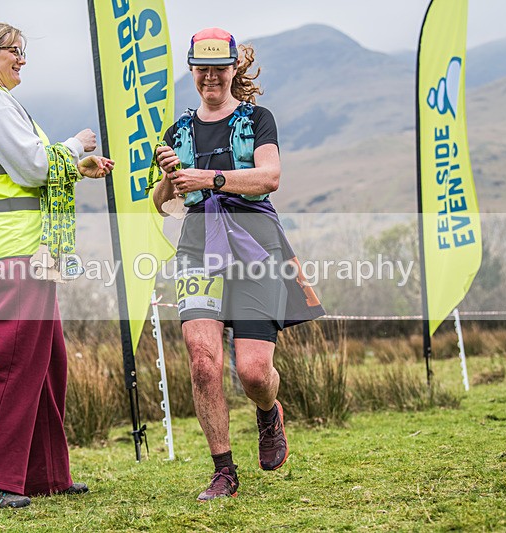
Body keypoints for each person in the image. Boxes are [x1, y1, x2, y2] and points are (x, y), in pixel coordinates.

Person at [152, 28, 324, 501]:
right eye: (201, 68)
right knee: (203, 361)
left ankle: (269, 412)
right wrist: (169, 179)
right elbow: (162, 204)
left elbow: (270, 177)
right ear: (191, 71)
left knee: (251, 371)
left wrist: (210, 176)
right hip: (197, 246)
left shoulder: (258, 120)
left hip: (255, 244)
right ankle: (223, 470)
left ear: (233, 70)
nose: (210, 76)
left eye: (218, 68)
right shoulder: (178, 132)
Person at [0, 22, 113, 510]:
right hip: (13, 249)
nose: (22, 59)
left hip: (24, 250)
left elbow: (27, 169)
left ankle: (42, 474)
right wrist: (75, 146)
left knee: (47, 361)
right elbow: (35, 167)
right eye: (14, 52)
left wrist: (74, 169)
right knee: (18, 360)